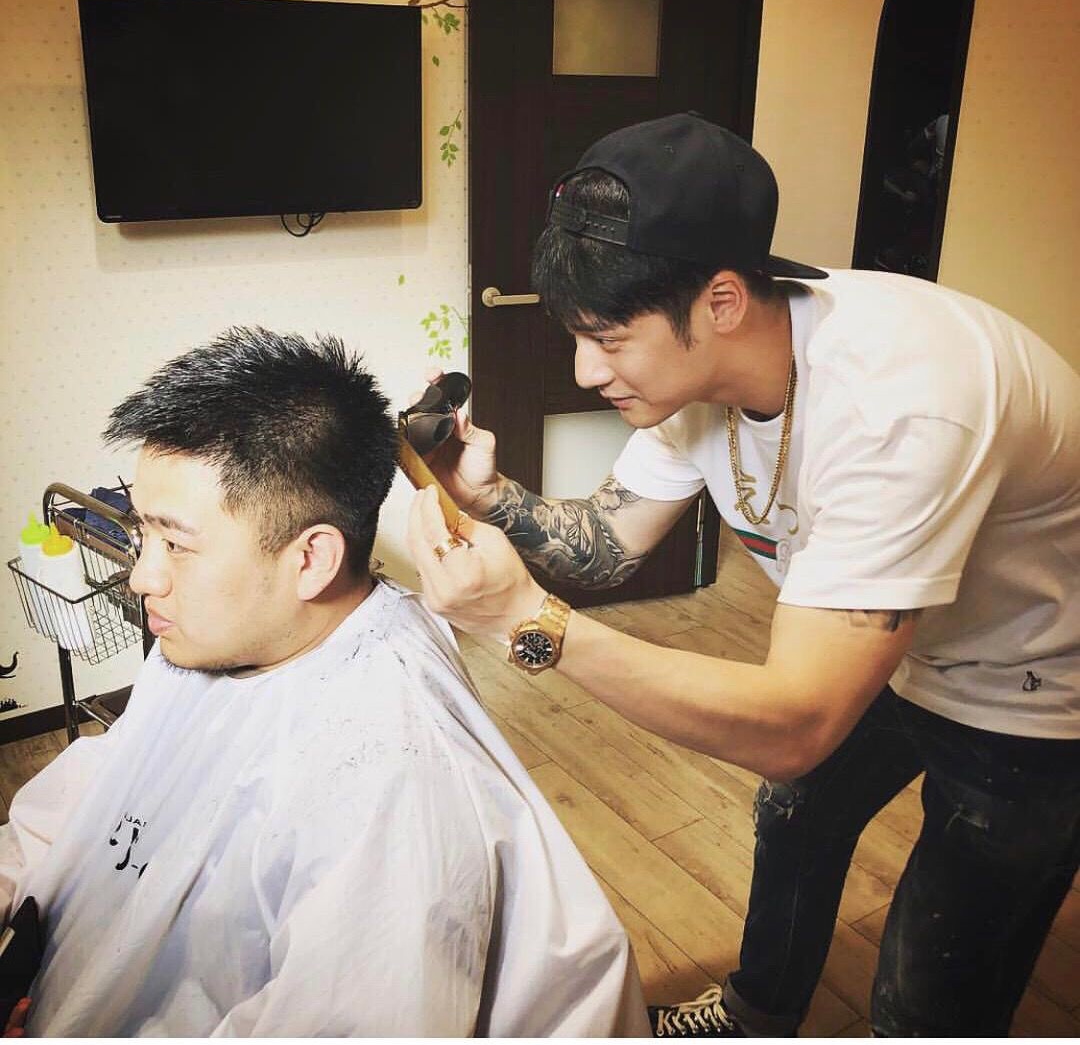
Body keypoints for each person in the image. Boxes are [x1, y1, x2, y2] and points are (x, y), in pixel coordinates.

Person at [406, 113, 1080, 1037]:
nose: (585, 369)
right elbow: (607, 541)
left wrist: (530, 621)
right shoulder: (695, 380)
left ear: (721, 300)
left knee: (928, 995)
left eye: (608, 338)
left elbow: (797, 724)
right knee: (796, 814)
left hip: (1033, 680)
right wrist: (489, 499)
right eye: (576, 335)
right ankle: (758, 1012)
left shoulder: (897, 404)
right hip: (898, 643)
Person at [0, 328, 649, 1037]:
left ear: (311, 560)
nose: (142, 577)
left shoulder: (389, 782)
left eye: (176, 543)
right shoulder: (211, 636)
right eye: (143, 534)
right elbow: (112, 784)